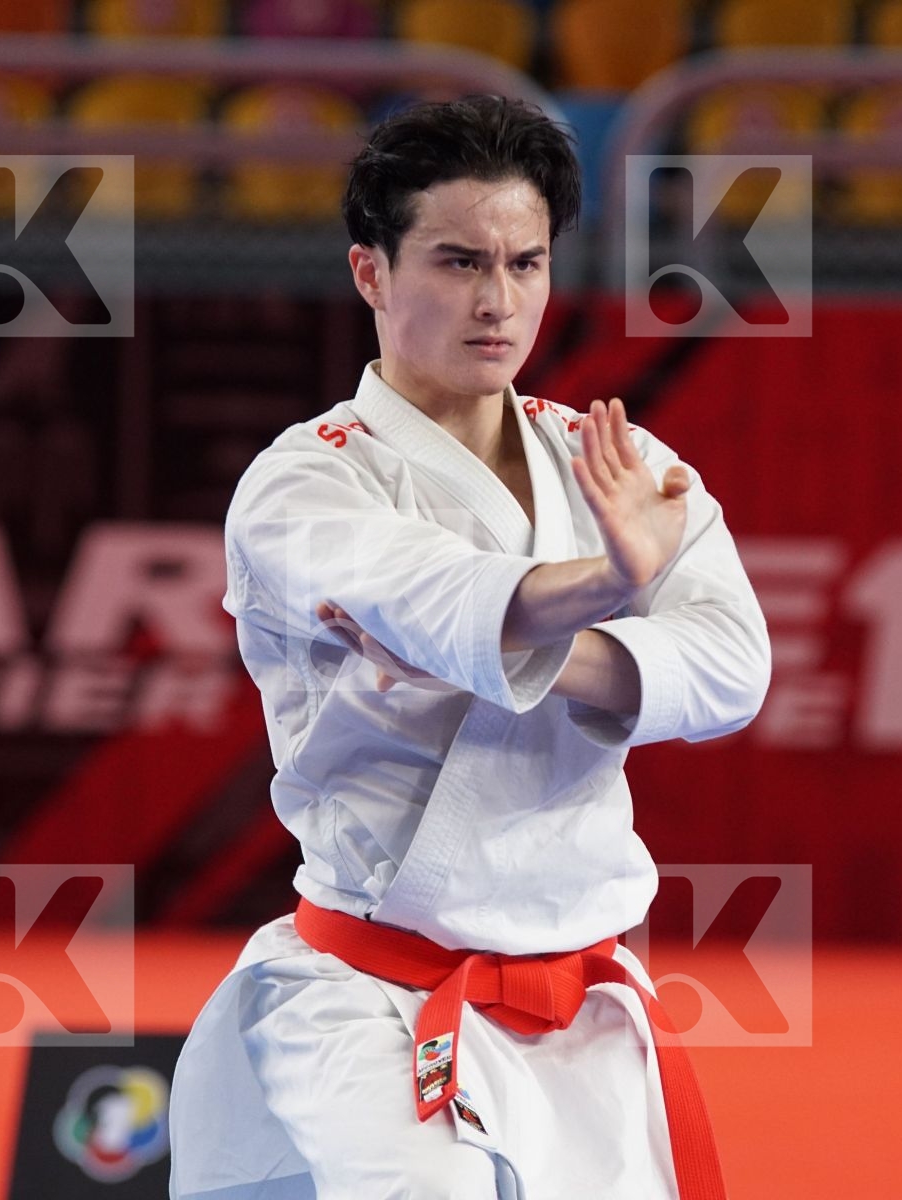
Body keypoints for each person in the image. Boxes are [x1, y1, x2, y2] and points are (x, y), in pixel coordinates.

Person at [167, 95, 772, 1200]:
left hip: (585, 1002)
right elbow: (443, 599)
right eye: (456, 262)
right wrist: (618, 592)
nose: (498, 302)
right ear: (371, 275)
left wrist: (568, 632)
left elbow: (734, 668)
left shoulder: (609, 462)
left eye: (525, 263)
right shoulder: (306, 482)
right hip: (373, 995)